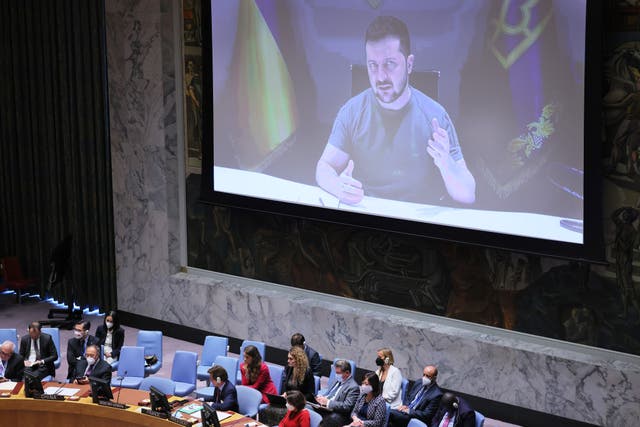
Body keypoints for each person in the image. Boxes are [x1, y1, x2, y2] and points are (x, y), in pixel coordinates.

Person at [316, 16, 475, 206]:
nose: (380, 76)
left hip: (417, 223)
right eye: (372, 65)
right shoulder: (351, 112)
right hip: (367, 217)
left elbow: (468, 195)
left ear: (409, 64)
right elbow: (324, 167)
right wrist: (339, 187)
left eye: (390, 64)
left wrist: (446, 164)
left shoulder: (435, 117)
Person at [260, 346, 316, 425]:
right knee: (267, 408)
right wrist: (285, 394)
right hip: (289, 400)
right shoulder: (289, 368)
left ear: (298, 359)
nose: (288, 361)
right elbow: (287, 387)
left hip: (300, 403)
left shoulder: (307, 372)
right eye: (288, 358)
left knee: (281, 412)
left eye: (291, 359)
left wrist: (295, 399)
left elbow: (310, 394)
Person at [313, 359, 359, 427]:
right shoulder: (337, 379)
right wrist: (321, 398)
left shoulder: (354, 387)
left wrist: (328, 402)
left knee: (331, 419)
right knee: (306, 407)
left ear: (347, 373)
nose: (336, 375)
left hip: (338, 413)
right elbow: (329, 393)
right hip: (325, 407)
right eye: (335, 372)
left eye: (338, 373)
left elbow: (346, 406)